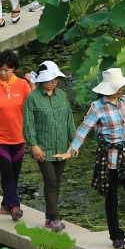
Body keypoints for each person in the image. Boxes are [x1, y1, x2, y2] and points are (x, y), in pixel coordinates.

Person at [68, 67, 125, 249]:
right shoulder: (97, 107)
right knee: (111, 198)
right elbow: (84, 128)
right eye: (117, 87)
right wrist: (72, 149)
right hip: (109, 157)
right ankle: (116, 237)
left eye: (121, 87)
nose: (120, 90)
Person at [23, 61, 77, 232]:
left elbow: (69, 120)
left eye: (56, 78)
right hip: (43, 148)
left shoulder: (61, 95)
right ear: (41, 80)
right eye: (50, 78)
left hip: (61, 147)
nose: (54, 81)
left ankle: (49, 216)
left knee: (56, 182)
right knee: (51, 181)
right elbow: (28, 124)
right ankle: (55, 218)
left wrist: (74, 143)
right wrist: (34, 145)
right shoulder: (32, 98)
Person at [0, 49, 32, 222]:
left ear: (13, 69)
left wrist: (33, 86)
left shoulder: (22, 85)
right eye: (0, 69)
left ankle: (5, 204)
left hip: (19, 137)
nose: (3, 73)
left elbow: (32, 105)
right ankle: (15, 206)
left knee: (14, 174)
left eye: (7, 70)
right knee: (7, 172)